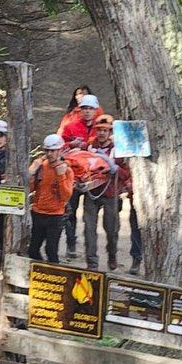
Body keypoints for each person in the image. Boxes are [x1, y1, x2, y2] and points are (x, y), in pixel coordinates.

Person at [83, 114, 129, 270]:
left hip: (110, 192)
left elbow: (126, 173)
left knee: (111, 228)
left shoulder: (119, 150)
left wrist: (116, 169)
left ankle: (112, 255)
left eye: (105, 130)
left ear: (110, 132)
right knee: (89, 227)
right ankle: (92, 261)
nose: (101, 133)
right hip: (92, 192)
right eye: (99, 130)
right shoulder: (89, 147)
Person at [59, 94, 101, 258]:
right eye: (84, 108)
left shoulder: (102, 128)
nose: (87, 111)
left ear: (95, 110)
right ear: (80, 110)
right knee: (70, 211)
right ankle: (71, 244)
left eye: (90, 108)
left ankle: (91, 252)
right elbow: (60, 147)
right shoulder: (70, 127)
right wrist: (71, 144)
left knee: (90, 217)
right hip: (74, 176)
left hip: (94, 178)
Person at [28, 134, 74, 263]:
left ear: (59, 151)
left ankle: (54, 274)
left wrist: (61, 176)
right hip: (38, 213)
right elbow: (30, 189)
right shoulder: (41, 166)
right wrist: (31, 173)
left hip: (55, 215)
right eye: (47, 150)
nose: (49, 153)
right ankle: (40, 272)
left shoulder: (67, 171)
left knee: (51, 250)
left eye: (52, 150)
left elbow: (66, 196)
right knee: (33, 250)